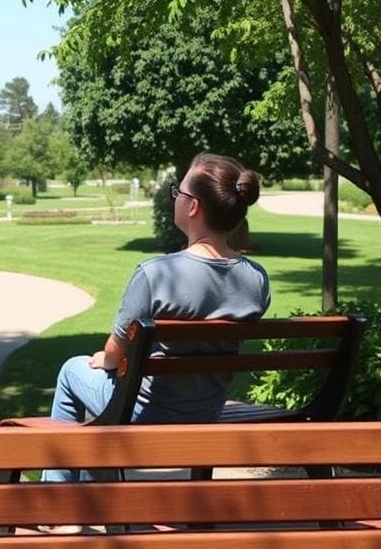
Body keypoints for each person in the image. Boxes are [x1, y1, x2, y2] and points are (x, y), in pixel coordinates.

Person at [42, 152, 270, 488]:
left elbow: (114, 354)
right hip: (206, 410)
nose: (175, 197)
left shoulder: (157, 274)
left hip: (146, 412)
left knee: (71, 371)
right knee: (101, 406)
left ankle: (58, 502)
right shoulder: (256, 280)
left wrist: (102, 360)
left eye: (179, 191)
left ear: (193, 208)